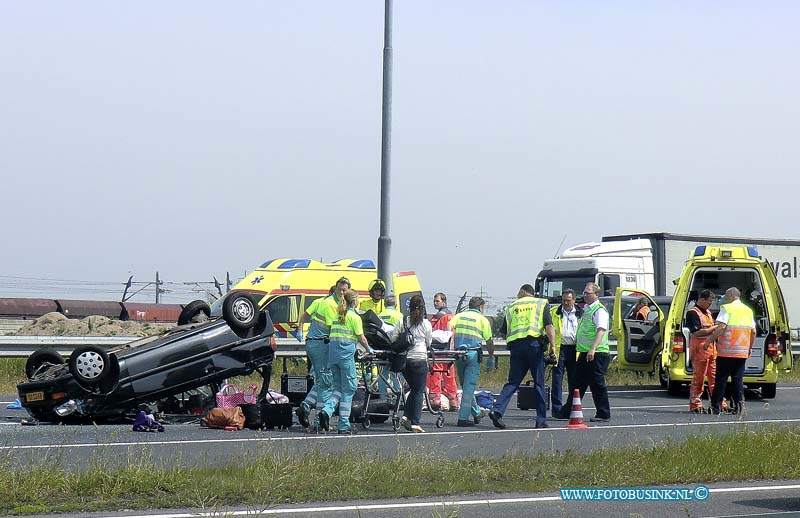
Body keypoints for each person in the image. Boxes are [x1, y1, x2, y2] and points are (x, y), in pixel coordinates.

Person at [489, 284, 555, 430]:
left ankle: (497, 411)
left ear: (523, 292)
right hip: (534, 345)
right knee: (539, 383)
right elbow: (549, 326)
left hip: (516, 347)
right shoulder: (541, 303)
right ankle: (541, 420)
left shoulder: (512, 306)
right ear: (532, 293)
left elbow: (504, 331)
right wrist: (553, 348)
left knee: (512, 382)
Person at [317, 288, 371, 434]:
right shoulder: (354, 318)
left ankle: (326, 411)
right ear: (354, 301)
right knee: (349, 389)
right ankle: (344, 425)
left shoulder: (337, 316)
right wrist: (369, 349)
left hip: (333, 357)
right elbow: (361, 338)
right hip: (346, 358)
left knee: (338, 388)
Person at [560, 282, 612, 422]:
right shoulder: (588, 309)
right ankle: (567, 411)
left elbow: (601, 330)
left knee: (597, 384)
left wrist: (593, 348)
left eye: (587, 293)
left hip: (596, 353)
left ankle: (603, 413)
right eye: (584, 292)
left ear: (596, 294)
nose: (585, 295)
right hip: (584, 353)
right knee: (577, 383)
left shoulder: (599, 310)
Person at [294, 284, 339, 428]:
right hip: (322, 346)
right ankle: (320, 422)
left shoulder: (318, 302)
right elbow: (334, 330)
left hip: (311, 345)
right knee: (326, 383)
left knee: (320, 381)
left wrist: (300, 328)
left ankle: (305, 406)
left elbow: (304, 315)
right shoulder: (331, 306)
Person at [705, 287, 756, 415]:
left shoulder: (727, 309)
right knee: (737, 380)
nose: (725, 299)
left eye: (726, 296)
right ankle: (739, 408)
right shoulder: (748, 311)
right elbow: (753, 332)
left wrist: (708, 341)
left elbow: (721, 327)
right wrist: (749, 348)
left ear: (732, 295)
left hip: (726, 351)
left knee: (721, 380)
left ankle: (716, 407)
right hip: (742, 352)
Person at [448, 297, 494, 427]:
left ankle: (476, 412)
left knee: (465, 385)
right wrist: (491, 356)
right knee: (469, 387)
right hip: (473, 355)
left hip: (458, 355)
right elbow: (489, 341)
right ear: (480, 307)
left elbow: (448, 328)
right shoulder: (482, 320)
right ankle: (462, 418)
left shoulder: (459, 316)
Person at [394, 294, 432, 433]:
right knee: (418, 390)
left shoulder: (403, 321)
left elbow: (394, 337)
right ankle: (415, 422)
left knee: (413, 388)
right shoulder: (426, 324)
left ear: (409, 308)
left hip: (406, 360)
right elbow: (429, 342)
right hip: (420, 360)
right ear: (422, 309)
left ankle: (405, 416)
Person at [686, 289, 721, 413]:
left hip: (711, 350)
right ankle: (695, 405)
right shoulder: (692, 313)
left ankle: (719, 402)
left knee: (714, 378)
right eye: (709, 302)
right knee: (698, 379)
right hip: (700, 349)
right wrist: (714, 328)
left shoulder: (707, 313)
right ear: (702, 299)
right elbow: (696, 332)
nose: (710, 305)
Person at [549, 289, 583, 419]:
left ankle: (570, 408)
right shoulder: (554, 312)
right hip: (559, 349)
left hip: (575, 349)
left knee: (573, 380)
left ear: (574, 300)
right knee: (557, 380)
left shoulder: (581, 313)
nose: (566, 303)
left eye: (568, 301)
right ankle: (557, 409)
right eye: (563, 300)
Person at [426, 292, 459, 411]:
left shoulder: (438, 317)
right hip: (450, 352)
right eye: (434, 301)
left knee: (435, 375)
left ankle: (435, 401)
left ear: (444, 302)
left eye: (437, 301)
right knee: (450, 376)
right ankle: (454, 402)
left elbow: (432, 334)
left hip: (438, 351)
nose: (435, 303)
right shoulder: (452, 316)